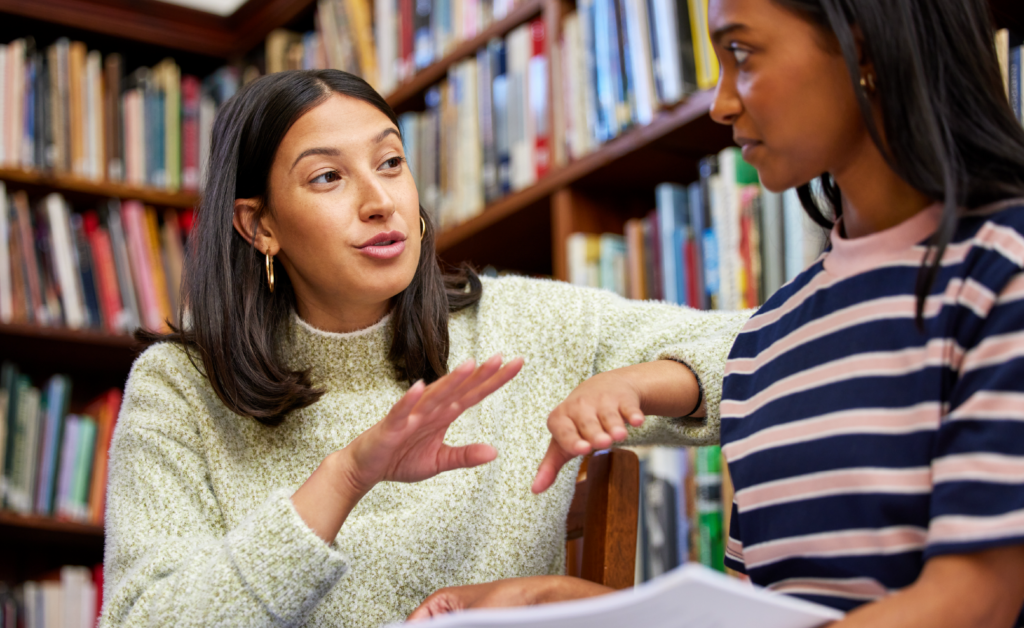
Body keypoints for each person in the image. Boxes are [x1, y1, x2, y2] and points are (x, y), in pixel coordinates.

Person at [411, 0, 1024, 624]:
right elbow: (765, 611)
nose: (720, 104)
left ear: (863, 45)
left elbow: (981, 598)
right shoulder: (767, 339)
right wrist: (547, 601)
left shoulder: (1005, 273)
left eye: (741, 54)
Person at [98, 69, 748, 628]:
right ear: (259, 224)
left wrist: (656, 381)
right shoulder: (180, 388)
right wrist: (345, 477)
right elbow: (145, 619)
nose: (381, 202)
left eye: (390, 163)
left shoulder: (523, 324)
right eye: (328, 177)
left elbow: (778, 350)